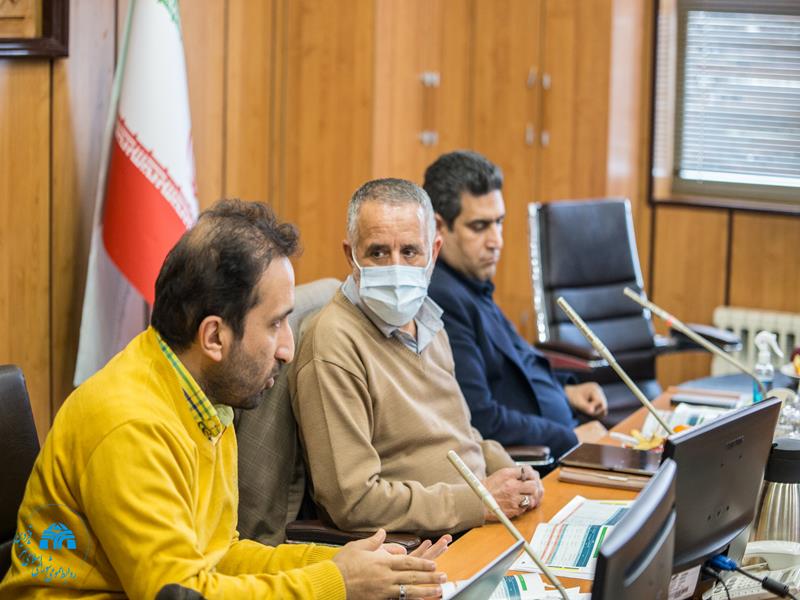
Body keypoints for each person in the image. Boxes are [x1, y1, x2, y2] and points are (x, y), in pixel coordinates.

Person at [0, 200, 448, 600]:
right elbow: (181, 595)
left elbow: (218, 555)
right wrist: (336, 584)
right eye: (275, 324)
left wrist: (343, 564)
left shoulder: (208, 398)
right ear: (214, 336)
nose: (288, 349)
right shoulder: (131, 424)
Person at [290, 179, 544, 538]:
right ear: (351, 255)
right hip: (431, 542)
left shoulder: (427, 318)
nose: (396, 268)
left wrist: (514, 475)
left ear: (434, 252)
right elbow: (353, 502)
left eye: (410, 251)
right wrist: (480, 502)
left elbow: (461, 434)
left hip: (484, 520)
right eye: (378, 253)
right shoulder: (333, 343)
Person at [424, 151, 608, 460]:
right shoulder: (443, 298)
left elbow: (518, 363)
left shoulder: (471, 283)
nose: (496, 241)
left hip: (568, 435)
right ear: (439, 228)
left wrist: (566, 391)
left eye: (499, 222)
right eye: (479, 226)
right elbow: (480, 417)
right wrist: (571, 438)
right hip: (539, 462)